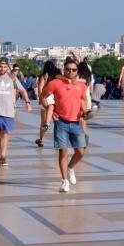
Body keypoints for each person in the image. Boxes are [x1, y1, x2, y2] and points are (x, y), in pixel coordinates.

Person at [43, 60, 89, 193]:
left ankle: (70, 167)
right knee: (63, 151)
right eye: (68, 69)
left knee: (80, 152)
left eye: (74, 70)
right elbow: (43, 96)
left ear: (77, 72)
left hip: (76, 122)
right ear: (64, 70)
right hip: (61, 122)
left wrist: (85, 111)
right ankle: (64, 181)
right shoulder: (55, 83)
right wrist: (50, 110)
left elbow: (82, 100)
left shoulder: (81, 86)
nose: (71, 72)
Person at [35, 60, 60, 148]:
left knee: (43, 122)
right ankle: (58, 141)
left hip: (45, 98)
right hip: (55, 98)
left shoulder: (44, 75)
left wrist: (40, 98)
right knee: (57, 121)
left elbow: (40, 89)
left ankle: (41, 140)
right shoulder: (57, 76)